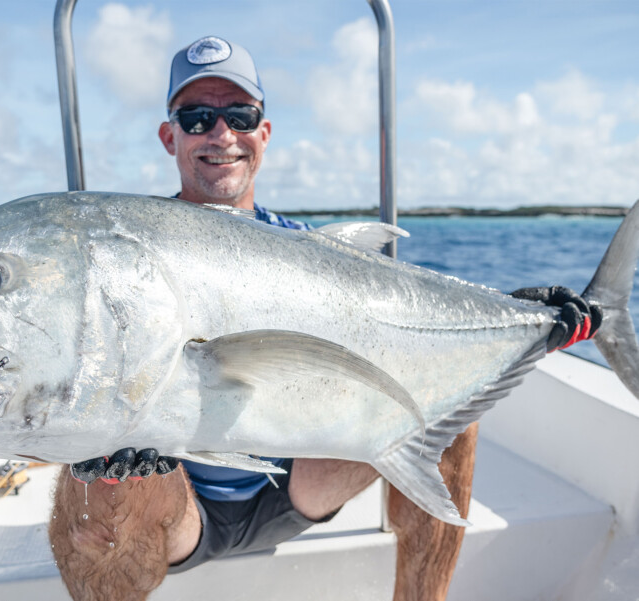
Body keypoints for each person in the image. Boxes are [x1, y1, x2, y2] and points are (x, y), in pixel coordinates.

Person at [49, 36, 600, 601]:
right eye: (197, 117)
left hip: (298, 486)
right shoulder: (138, 255)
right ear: (171, 136)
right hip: (179, 503)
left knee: (447, 403)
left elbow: (408, 332)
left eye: (240, 115)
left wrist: (519, 318)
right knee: (102, 491)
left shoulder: (313, 250)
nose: (221, 134)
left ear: (263, 133)